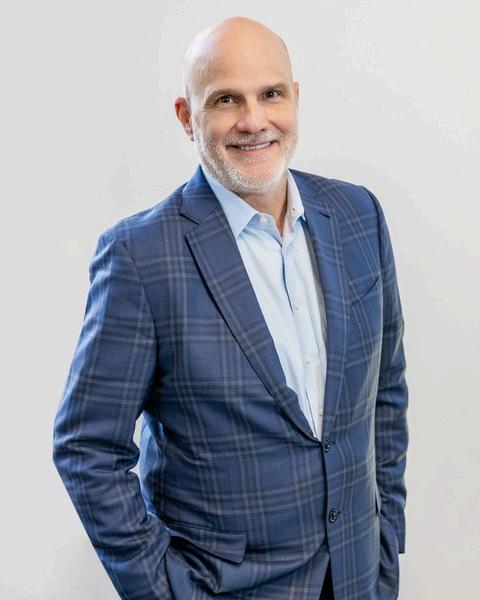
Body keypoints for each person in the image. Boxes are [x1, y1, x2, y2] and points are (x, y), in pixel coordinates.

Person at [53, 15, 409, 600]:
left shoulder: (358, 215)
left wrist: (386, 544)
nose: (253, 120)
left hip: (358, 579)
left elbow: (385, 392)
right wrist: (167, 590)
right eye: (225, 99)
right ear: (186, 116)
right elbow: (86, 448)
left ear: (295, 98)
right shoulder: (141, 256)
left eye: (271, 94)